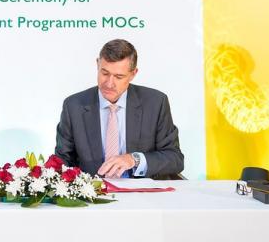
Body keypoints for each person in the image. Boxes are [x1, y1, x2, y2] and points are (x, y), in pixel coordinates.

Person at [55, 39, 184, 179]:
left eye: (119, 76)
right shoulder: (73, 106)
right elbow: (63, 161)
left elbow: (175, 159)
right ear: (97, 64)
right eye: (105, 73)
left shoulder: (155, 103)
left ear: (133, 74)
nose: (109, 84)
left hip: (142, 191)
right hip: (94, 190)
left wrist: (134, 159)